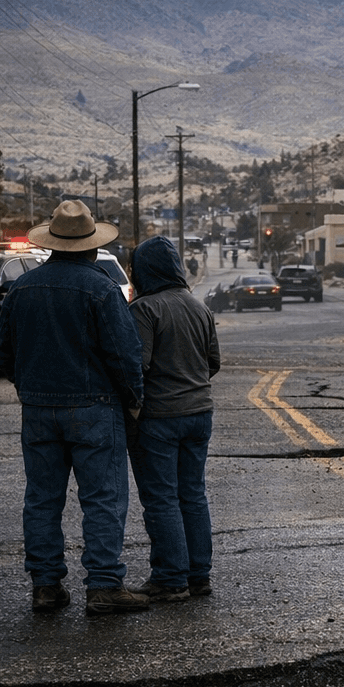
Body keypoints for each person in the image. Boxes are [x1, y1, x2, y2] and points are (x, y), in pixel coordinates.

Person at [0, 200, 147, 616]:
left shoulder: (22, 288)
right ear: (92, 246)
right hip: (95, 408)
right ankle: (103, 585)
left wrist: (28, 386)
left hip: (38, 408)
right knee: (102, 498)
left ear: (53, 243)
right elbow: (125, 356)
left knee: (42, 499)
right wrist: (134, 400)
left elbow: (3, 351)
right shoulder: (102, 289)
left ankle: (46, 586)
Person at [127, 236, 222, 602]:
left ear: (145, 270)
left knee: (161, 498)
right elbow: (213, 362)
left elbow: (137, 367)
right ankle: (198, 575)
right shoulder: (199, 307)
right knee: (193, 494)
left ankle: (170, 578)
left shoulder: (145, 309)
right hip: (200, 413)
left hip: (160, 417)